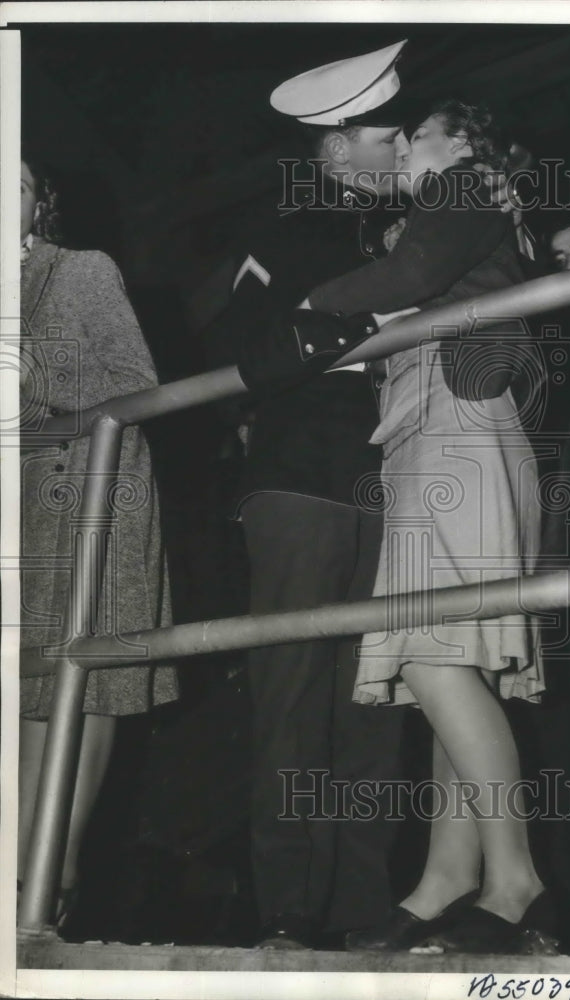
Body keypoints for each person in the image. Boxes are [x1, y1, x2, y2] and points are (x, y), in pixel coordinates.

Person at [305, 99, 556, 955]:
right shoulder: (454, 207)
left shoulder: (462, 190)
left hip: (457, 430)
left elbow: (408, 277)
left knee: (427, 651)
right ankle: (448, 876)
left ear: (464, 144)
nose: (404, 145)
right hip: (440, 430)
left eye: (418, 132)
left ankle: (515, 877)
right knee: (450, 659)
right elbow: (409, 277)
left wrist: (307, 307)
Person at [202, 41, 416, 950]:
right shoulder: (285, 220)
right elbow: (235, 337)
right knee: (292, 695)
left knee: (376, 701)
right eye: (385, 132)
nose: (402, 143)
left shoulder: (429, 216)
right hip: (302, 474)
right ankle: (289, 907)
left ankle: (365, 911)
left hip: (396, 479)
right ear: (336, 149)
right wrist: (364, 319)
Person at [17, 156, 178, 928]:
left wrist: (22, 366)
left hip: (84, 502)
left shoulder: (78, 272)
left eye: (10, 184)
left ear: (37, 206)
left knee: (80, 684)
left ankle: (44, 885)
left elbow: (134, 381)